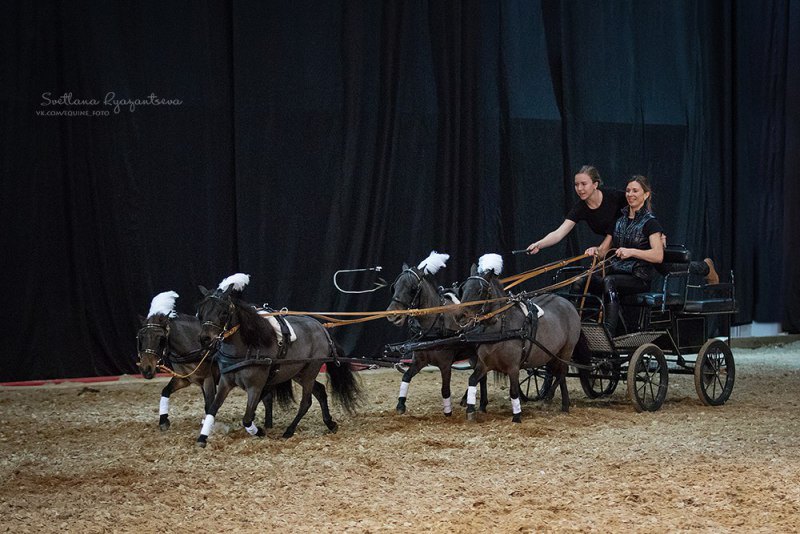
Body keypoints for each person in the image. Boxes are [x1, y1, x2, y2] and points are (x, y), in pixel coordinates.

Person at [526, 165, 719, 285]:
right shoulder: (581, 208)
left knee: (664, 268)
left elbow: (641, 211)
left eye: (583, 184)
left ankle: (704, 268)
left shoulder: (616, 197)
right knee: (595, 278)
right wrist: (539, 244)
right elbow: (560, 233)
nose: (579, 189)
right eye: (576, 185)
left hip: (634, 240)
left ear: (595, 184)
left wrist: (658, 234)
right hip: (618, 242)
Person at [584, 175, 664, 335]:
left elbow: (658, 256)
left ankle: (608, 333)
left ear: (646, 194)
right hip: (617, 272)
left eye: (635, 190)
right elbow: (603, 252)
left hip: (638, 277)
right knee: (582, 280)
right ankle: (578, 328)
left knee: (609, 281)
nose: (630, 194)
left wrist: (632, 252)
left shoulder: (650, 223)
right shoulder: (619, 221)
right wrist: (595, 250)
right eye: (628, 190)